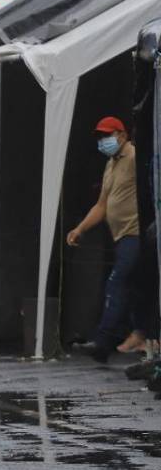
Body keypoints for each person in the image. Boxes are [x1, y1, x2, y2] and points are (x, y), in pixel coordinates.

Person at [67, 116, 145, 362]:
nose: (103, 141)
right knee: (132, 288)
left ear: (122, 135)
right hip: (120, 236)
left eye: (107, 135)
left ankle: (103, 341)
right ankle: (136, 336)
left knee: (116, 282)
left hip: (135, 234)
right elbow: (102, 205)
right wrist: (79, 229)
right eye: (100, 137)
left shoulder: (134, 158)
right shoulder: (111, 164)